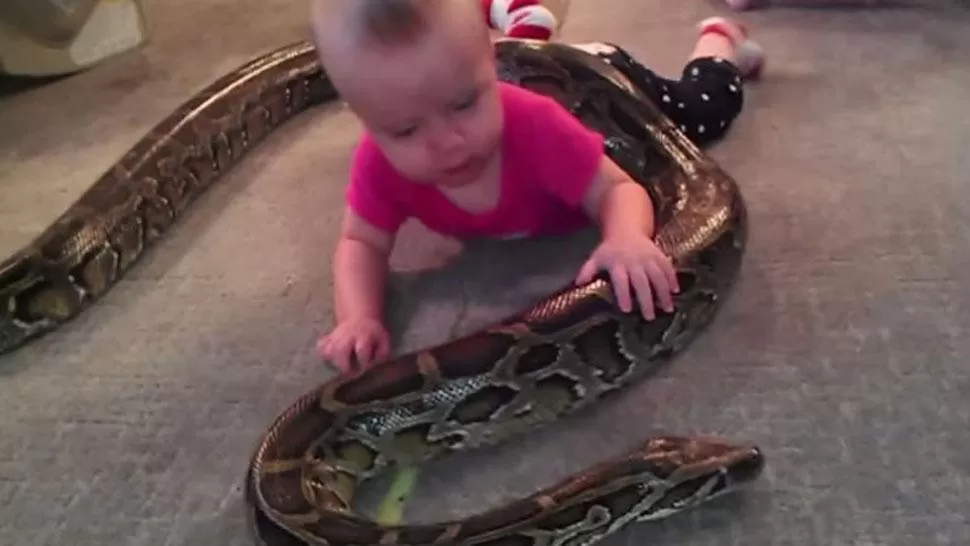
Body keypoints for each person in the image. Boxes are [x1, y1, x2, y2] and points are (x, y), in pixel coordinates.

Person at [310, 0, 765, 374]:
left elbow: (617, 190)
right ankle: (516, 23)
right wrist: (358, 316)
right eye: (406, 130)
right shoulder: (377, 162)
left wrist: (626, 236)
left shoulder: (534, 126)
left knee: (702, 112)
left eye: (465, 104)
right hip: (517, 67)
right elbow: (360, 242)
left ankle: (720, 44)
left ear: (491, 62)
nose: (448, 143)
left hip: (593, 77)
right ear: (364, 119)